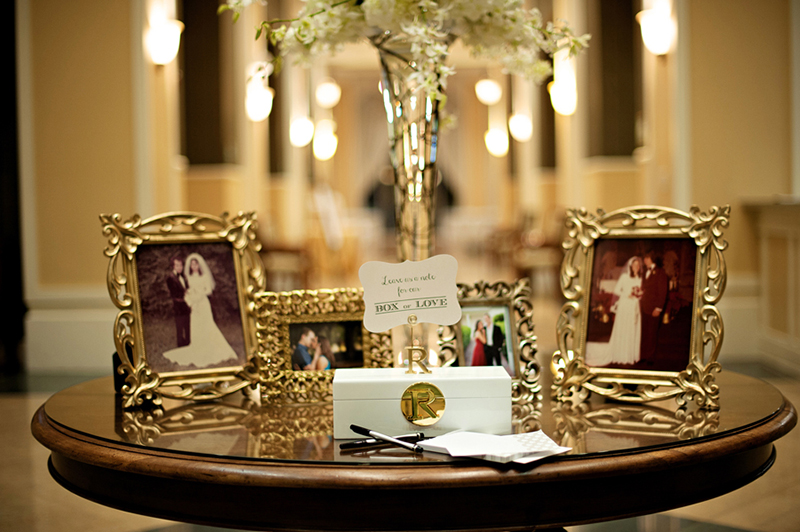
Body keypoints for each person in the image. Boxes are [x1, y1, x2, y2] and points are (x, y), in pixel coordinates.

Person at [163, 253, 237, 367]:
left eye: (196, 264)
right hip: (194, 305)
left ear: (199, 265)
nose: (194, 266)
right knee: (196, 325)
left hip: (203, 303)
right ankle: (197, 345)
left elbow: (208, 291)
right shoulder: (188, 277)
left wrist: (199, 296)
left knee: (207, 324)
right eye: (192, 264)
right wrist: (191, 300)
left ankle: (210, 345)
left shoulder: (204, 277)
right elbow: (186, 291)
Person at [585, 256, 644, 366]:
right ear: (631, 266)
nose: (636, 267)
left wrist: (639, 295)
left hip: (634, 307)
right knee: (623, 330)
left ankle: (630, 355)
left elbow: (641, 293)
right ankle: (621, 354)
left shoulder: (640, 279)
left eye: (638, 265)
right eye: (634, 265)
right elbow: (617, 290)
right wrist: (627, 294)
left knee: (632, 330)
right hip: (625, 305)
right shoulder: (625, 277)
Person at [640, 250, 669, 362]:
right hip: (643, 307)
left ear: (652, 259)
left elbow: (663, 292)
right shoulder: (643, 272)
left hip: (653, 308)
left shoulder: (660, 272)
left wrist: (658, 308)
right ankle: (643, 355)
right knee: (644, 332)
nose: (645, 260)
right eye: (644, 258)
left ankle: (651, 357)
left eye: (647, 258)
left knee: (652, 333)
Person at [165, 255, 191, 347]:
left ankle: (188, 343)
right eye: (177, 265)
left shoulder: (183, 276)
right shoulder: (170, 278)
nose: (180, 267)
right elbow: (175, 294)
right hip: (178, 307)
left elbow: (186, 288)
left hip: (187, 306)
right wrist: (186, 295)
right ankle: (180, 345)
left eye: (181, 265)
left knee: (188, 327)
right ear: (173, 266)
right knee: (180, 328)